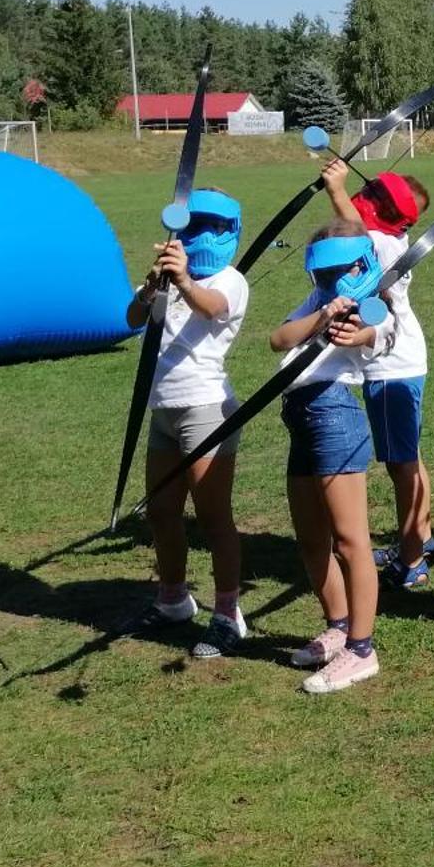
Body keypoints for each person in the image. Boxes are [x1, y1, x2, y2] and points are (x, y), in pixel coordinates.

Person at [121, 187, 250, 657]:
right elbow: (133, 316)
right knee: (162, 511)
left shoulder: (230, 280)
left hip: (206, 409)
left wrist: (184, 282)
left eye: (214, 227)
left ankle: (228, 615)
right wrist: (156, 282)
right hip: (164, 409)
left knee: (214, 517)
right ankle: (173, 599)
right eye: (194, 226)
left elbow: (212, 307)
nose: (202, 236)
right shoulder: (170, 277)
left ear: (230, 231)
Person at [268, 220, 394, 694]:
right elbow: (279, 339)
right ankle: (338, 626)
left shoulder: (373, 303)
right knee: (310, 537)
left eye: (342, 269)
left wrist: (356, 332)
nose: (332, 279)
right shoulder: (319, 300)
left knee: (349, 539)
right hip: (300, 415)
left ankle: (361, 649)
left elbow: (381, 334)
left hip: (334, 415)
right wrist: (321, 317)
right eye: (324, 271)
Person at [320, 160, 434, 589]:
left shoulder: (384, 244)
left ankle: (411, 560)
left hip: (391, 366)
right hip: (401, 360)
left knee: (400, 464)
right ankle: (421, 538)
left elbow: (355, 230)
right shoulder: (391, 239)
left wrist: (335, 188)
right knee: (409, 458)